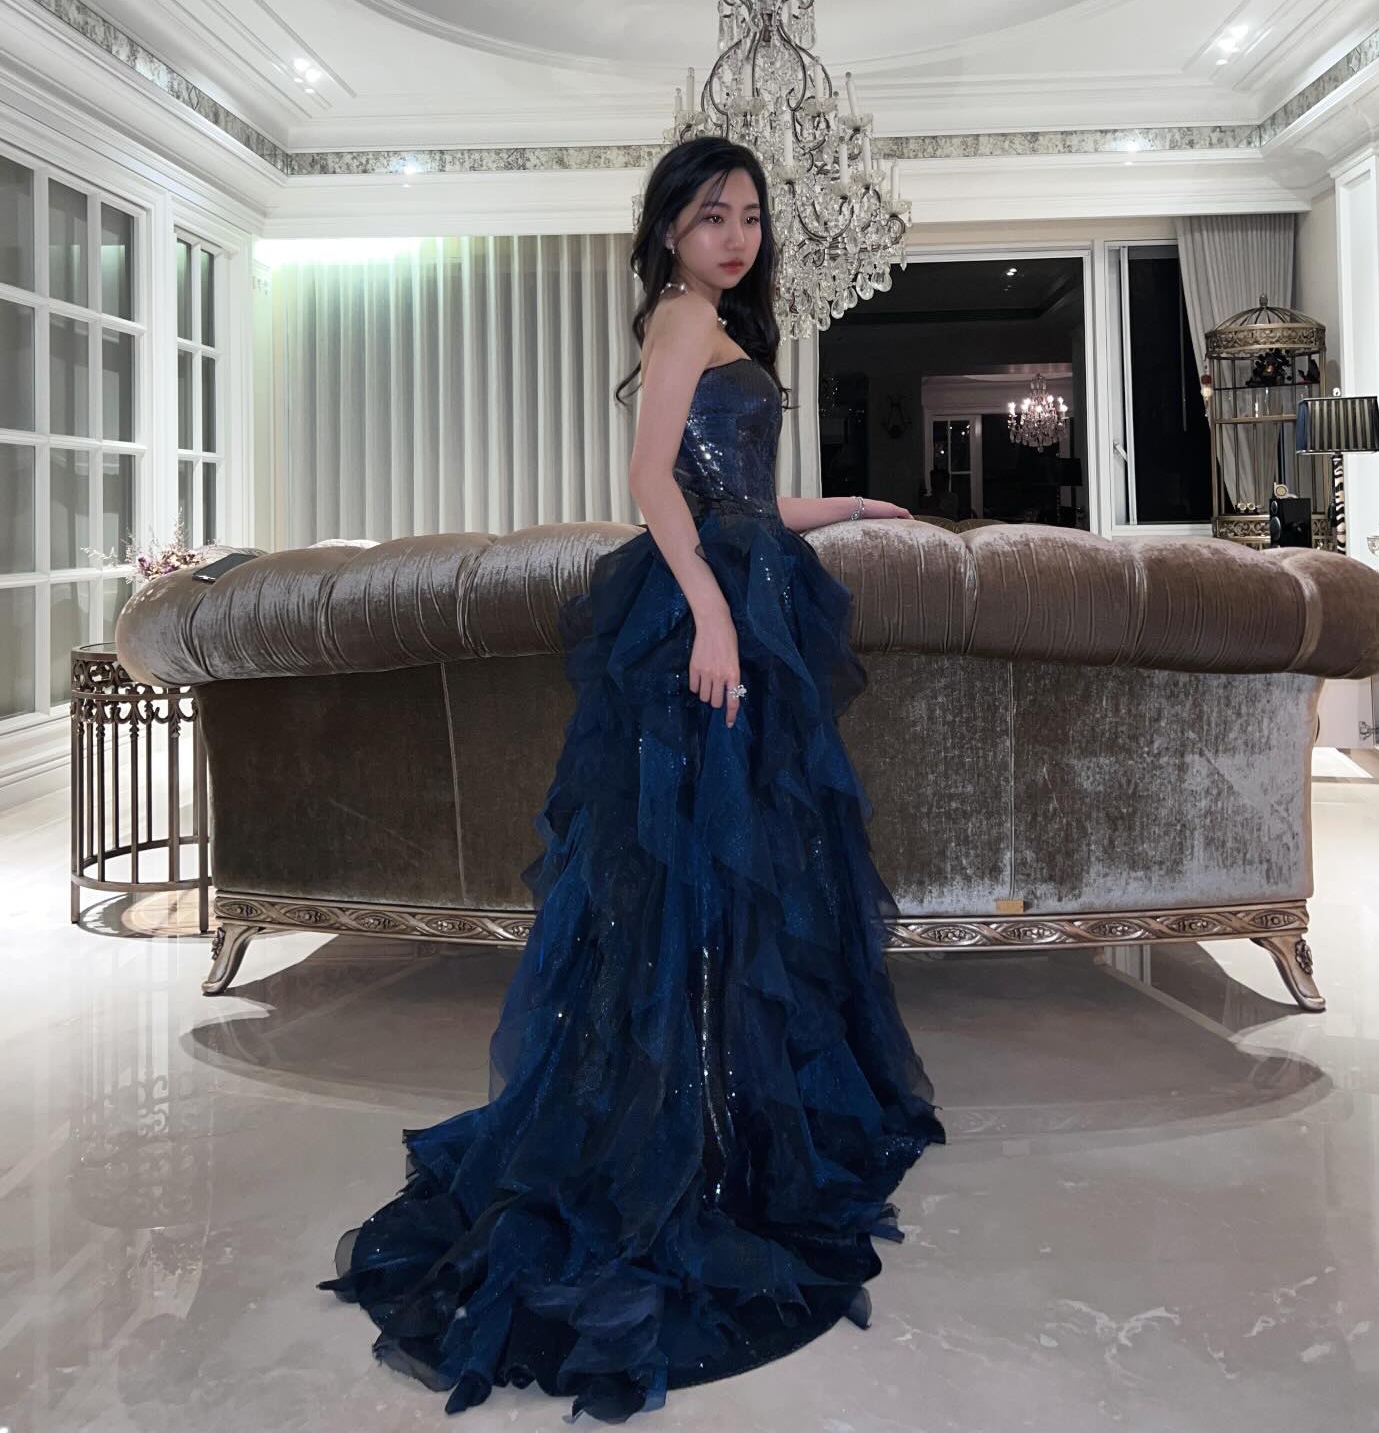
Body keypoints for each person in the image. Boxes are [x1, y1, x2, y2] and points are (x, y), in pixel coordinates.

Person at [321, 136, 946, 1422]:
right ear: (668, 229)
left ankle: (722, 1100)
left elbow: (739, 498)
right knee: (695, 866)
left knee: (739, 864)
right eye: (712, 216)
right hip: (702, 616)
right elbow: (652, 482)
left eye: (750, 215)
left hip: (743, 589)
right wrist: (711, 616)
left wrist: (846, 508)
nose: (737, 235)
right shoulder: (679, 317)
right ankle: (689, 1125)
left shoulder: (713, 321)